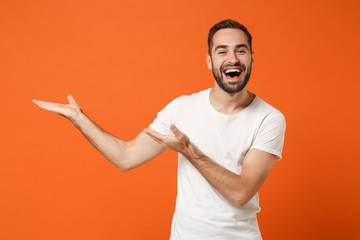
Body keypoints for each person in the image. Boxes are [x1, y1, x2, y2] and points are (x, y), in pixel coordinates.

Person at [33, 19, 286, 240]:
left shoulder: (269, 118)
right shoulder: (182, 108)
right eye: (222, 52)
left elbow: (241, 193)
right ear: (210, 61)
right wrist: (80, 119)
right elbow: (126, 157)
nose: (232, 59)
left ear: (251, 57)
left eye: (240, 51)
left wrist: (188, 150)